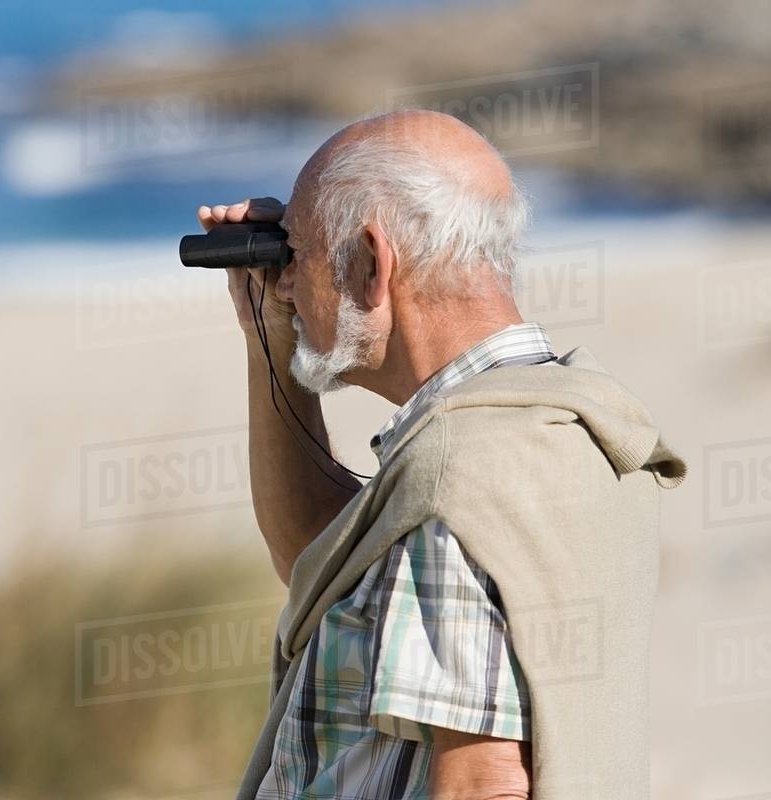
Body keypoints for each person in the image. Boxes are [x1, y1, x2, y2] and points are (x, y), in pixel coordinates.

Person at [198, 110, 687, 800]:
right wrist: (267, 337)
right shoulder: (564, 425)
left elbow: (485, 784)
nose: (284, 283)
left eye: (298, 256)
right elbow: (322, 559)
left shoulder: (464, 472)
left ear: (371, 262)